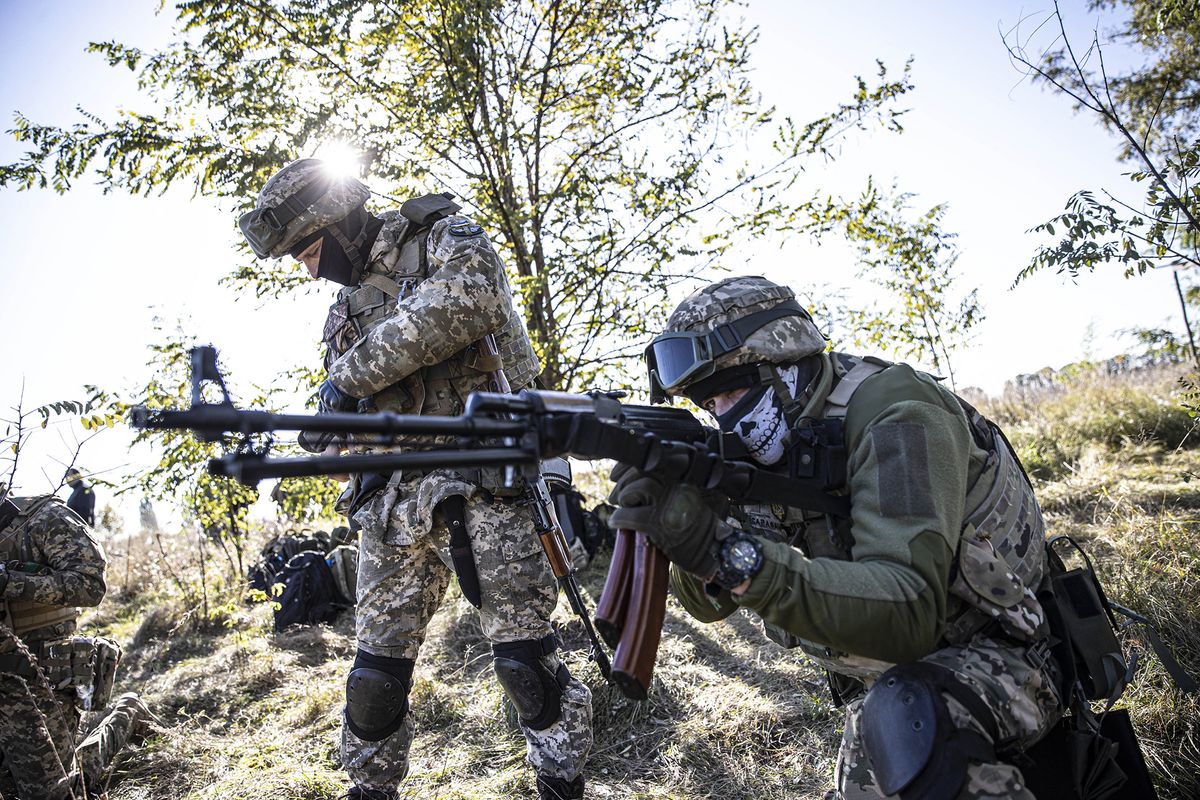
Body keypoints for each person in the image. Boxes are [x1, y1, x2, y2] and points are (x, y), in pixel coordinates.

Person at [609, 275, 1065, 799]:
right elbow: (708, 608)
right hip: (885, 684)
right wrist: (693, 521)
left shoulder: (895, 412)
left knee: (908, 727)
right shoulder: (762, 446)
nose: (721, 416)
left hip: (1006, 654)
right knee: (890, 726)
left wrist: (726, 553)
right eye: (706, 403)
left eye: (732, 391)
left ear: (789, 366)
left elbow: (906, 615)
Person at [240, 159, 593, 800]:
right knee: (374, 674)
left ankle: (560, 782)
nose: (310, 269)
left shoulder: (440, 236)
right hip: (395, 500)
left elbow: (468, 300)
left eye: (312, 251)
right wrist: (335, 434)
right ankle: (370, 789)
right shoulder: (344, 311)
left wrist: (349, 380)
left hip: (489, 480)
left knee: (522, 661)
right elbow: (366, 409)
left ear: (342, 223)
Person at [0, 486, 156, 799]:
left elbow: (90, 585)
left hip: (37, 683)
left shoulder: (43, 517)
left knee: (53, 793)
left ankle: (126, 714)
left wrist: (9, 582)